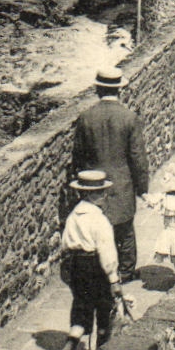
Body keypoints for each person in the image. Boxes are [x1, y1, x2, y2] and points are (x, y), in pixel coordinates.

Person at [72, 68, 149, 281]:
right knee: (124, 229)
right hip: (121, 182)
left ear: (98, 89)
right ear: (119, 90)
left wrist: (78, 182)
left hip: (93, 183)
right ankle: (125, 271)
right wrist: (143, 188)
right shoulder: (129, 117)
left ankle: (100, 270)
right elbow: (138, 157)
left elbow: (77, 155)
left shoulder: (86, 117)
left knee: (97, 225)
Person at [58, 169, 124, 350]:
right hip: (95, 265)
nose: (105, 197)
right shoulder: (99, 220)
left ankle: (73, 339)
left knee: (82, 304)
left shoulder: (73, 216)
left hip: (76, 265)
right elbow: (107, 252)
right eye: (102, 193)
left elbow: (65, 244)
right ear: (95, 195)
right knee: (103, 306)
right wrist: (114, 280)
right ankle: (100, 349)